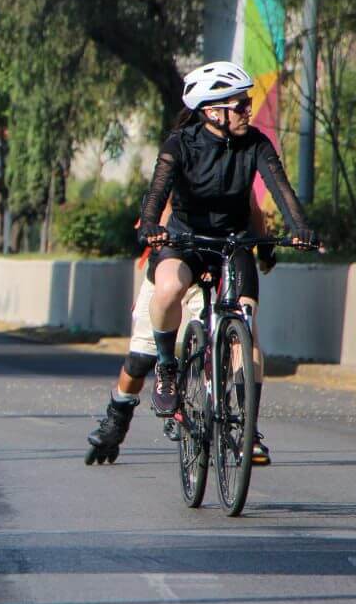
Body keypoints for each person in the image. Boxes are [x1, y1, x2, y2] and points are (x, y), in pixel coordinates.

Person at [138, 61, 318, 465]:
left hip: (234, 242)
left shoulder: (255, 144)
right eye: (239, 105)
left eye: (247, 103)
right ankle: (167, 367)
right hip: (184, 239)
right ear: (212, 111)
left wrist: (300, 228)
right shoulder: (179, 145)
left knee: (246, 330)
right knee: (168, 288)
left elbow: (280, 189)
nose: (247, 111)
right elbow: (156, 193)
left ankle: (248, 430)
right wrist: (150, 226)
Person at [85, 198, 275, 465]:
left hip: (212, 265)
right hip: (172, 264)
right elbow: (161, 212)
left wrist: (264, 248)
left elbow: (253, 209)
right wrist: (164, 250)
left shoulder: (232, 176)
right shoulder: (178, 175)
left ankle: (216, 412)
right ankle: (116, 421)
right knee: (140, 358)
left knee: (220, 342)